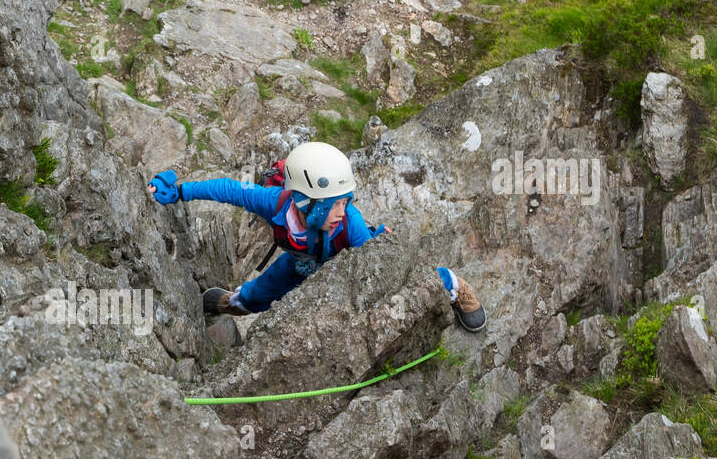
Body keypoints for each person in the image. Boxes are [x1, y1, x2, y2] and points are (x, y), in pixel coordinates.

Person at [147, 141, 486, 331]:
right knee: (255, 294)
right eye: (335, 203)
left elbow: (386, 273)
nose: (344, 209)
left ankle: (453, 284)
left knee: (396, 281)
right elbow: (229, 190)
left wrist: (379, 247)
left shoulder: (349, 224)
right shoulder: (277, 203)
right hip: (300, 263)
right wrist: (179, 191)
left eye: (346, 201)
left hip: (342, 266)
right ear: (306, 203)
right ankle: (234, 302)